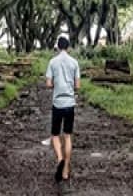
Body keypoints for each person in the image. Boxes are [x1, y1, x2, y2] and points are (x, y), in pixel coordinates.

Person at [45, 35, 80, 182]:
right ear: (68, 47)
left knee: (55, 135)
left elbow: (48, 84)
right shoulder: (74, 62)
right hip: (70, 104)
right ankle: (65, 170)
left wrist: (56, 85)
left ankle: (60, 158)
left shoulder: (52, 62)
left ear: (58, 47)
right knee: (67, 136)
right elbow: (77, 86)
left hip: (57, 103)